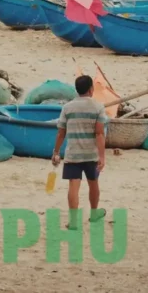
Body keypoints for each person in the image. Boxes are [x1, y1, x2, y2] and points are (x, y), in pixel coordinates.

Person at [50, 75, 108, 228]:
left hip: (73, 153)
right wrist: (102, 156)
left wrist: (56, 152)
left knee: (73, 186)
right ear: (91, 89)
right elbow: (99, 133)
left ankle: (74, 221)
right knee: (93, 183)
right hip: (91, 154)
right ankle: (94, 214)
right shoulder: (98, 107)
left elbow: (61, 133)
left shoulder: (67, 107)